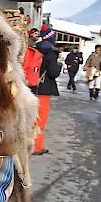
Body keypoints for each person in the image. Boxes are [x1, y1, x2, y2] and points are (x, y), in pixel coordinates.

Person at [32, 25, 62, 155]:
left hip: (32, 87)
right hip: (44, 90)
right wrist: (59, 65)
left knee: (32, 118)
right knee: (40, 119)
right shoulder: (50, 53)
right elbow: (53, 73)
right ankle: (36, 146)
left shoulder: (35, 49)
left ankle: (29, 143)